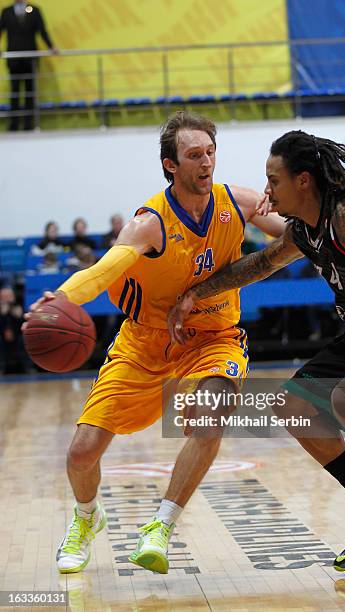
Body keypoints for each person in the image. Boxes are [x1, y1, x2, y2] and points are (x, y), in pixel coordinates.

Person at [23, 111, 285, 575]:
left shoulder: (238, 203)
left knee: (210, 416)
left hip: (214, 337)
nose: (206, 163)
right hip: (145, 343)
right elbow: (104, 271)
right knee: (82, 453)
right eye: (193, 155)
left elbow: (298, 237)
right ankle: (87, 518)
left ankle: (161, 525)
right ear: (171, 165)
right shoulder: (149, 223)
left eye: (210, 152)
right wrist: (61, 297)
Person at [168, 130, 345, 592]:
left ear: (303, 181)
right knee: (294, 405)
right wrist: (194, 294)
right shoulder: (305, 229)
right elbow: (258, 265)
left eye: (273, 180)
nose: (266, 192)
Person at [0, 0, 58, 131]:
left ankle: (28, 124)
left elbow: (42, 31)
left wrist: (51, 46)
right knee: (14, 92)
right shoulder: (6, 12)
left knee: (30, 92)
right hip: (13, 59)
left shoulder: (34, 10)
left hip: (30, 59)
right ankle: (13, 125)